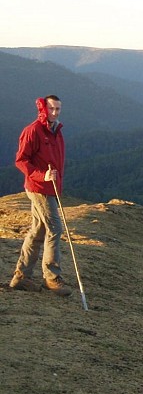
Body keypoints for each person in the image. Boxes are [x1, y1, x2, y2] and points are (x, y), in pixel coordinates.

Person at [9, 95, 72, 296]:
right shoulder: (33, 131)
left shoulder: (56, 132)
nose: (54, 112)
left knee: (38, 231)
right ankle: (52, 277)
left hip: (50, 187)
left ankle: (22, 277)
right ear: (43, 108)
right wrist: (42, 175)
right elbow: (21, 160)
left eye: (58, 109)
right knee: (54, 227)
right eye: (51, 108)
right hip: (38, 187)